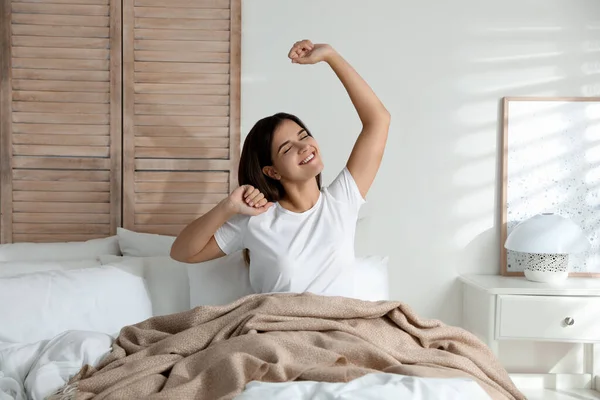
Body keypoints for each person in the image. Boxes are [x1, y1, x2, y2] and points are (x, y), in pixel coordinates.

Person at [171, 39, 390, 296]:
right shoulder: (257, 220)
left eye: (304, 135)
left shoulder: (342, 200)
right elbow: (182, 252)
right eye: (287, 148)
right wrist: (228, 207)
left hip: (337, 328)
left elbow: (379, 119)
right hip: (278, 328)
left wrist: (330, 56)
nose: (304, 146)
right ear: (272, 171)